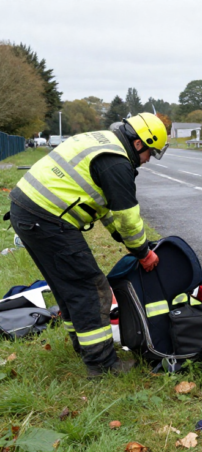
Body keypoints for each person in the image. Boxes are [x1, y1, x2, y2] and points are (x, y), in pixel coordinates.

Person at [9, 113, 168, 377]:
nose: (149, 158)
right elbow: (128, 218)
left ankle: (84, 347)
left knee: (68, 286)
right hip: (47, 219)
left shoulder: (102, 141)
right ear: (139, 143)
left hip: (27, 211)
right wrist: (142, 253)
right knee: (91, 287)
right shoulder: (117, 164)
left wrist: (120, 237)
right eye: (151, 152)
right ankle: (102, 364)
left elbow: (103, 207)